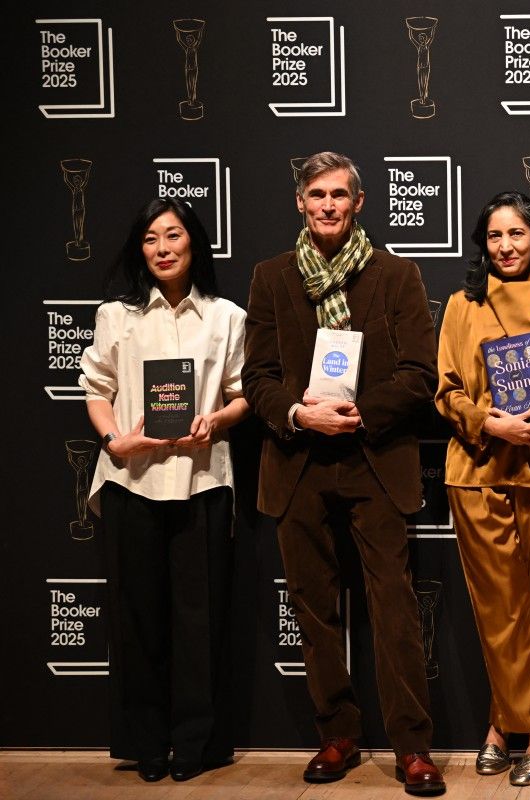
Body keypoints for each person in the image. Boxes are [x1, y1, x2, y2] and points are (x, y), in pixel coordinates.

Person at [242, 151, 445, 796]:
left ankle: (413, 748)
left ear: (358, 204)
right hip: (298, 462)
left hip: (375, 461)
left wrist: (360, 414)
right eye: (315, 195)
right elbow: (258, 378)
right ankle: (338, 734)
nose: (327, 205)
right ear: (300, 204)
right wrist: (301, 414)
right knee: (314, 611)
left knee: (393, 609)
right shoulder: (272, 278)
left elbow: (420, 374)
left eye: (338, 195)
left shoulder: (396, 275)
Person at [80, 198, 248, 783]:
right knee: (136, 619)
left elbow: (240, 392)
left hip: (202, 480)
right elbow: (95, 387)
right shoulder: (115, 316)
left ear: (193, 243)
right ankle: (145, 745)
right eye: (150, 239)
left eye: (173, 235)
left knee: (199, 622)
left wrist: (217, 421)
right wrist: (112, 441)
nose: (162, 248)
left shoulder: (227, 315)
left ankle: (194, 746)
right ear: (139, 250)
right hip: (131, 481)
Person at [434, 191, 530, 786]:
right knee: (498, 603)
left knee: (522, 603)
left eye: (517, 234)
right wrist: (488, 421)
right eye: (495, 236)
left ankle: (502, 724)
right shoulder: (459, 306)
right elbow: (446, 391)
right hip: (474, 469)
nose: (506, 246)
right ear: (483, 244)